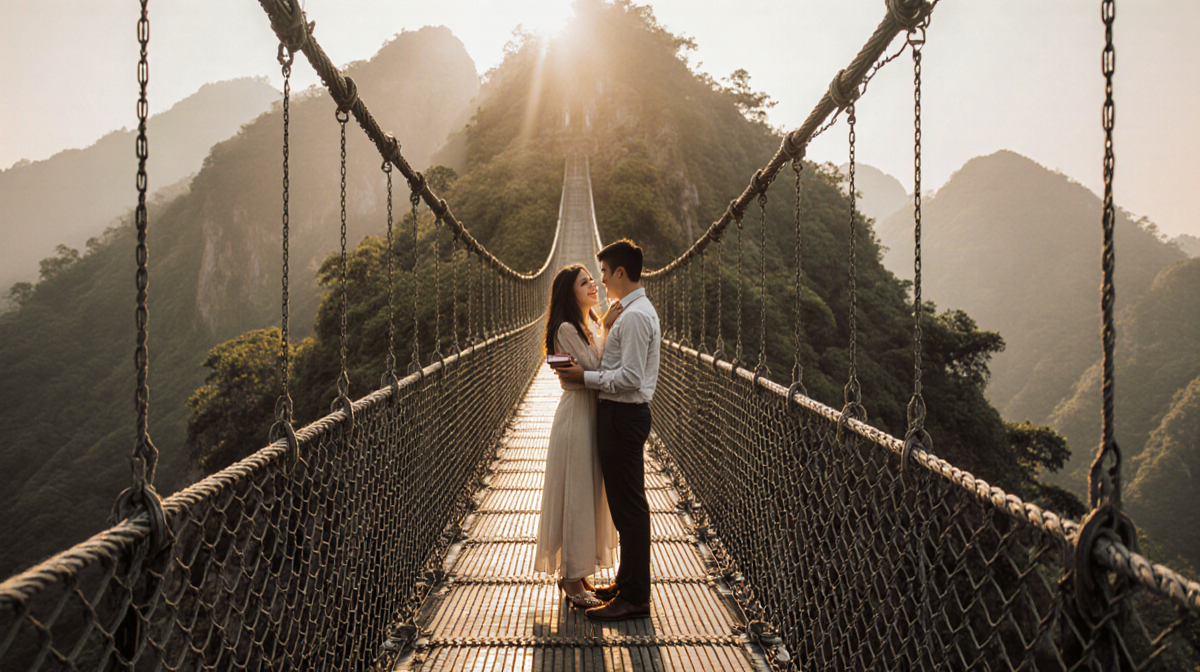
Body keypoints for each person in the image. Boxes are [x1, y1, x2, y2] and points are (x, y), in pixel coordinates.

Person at [555, 239, 661, 622]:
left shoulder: (633, 317)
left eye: (602, 272)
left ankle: (634, 597)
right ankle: (626, 583)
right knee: (626, 508)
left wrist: (586, 377)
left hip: (622, 416)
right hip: (619, 416)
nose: (600, 280)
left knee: (629, 511)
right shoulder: (630, 313)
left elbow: (631, 377)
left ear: (619, 272)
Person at [534, 264, 619, 609]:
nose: (593, 286)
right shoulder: (568, 328)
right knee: (576, 496)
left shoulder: (591, 324)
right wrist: (610, 326)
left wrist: (603, 329)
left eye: (592, 280)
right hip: (575, 418)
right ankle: (569, 578)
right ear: (571, 293)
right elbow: (597, 369)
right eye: (585, 282)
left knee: (586, 496)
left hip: (591, 415)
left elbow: (593, 369)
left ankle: (579, 572)